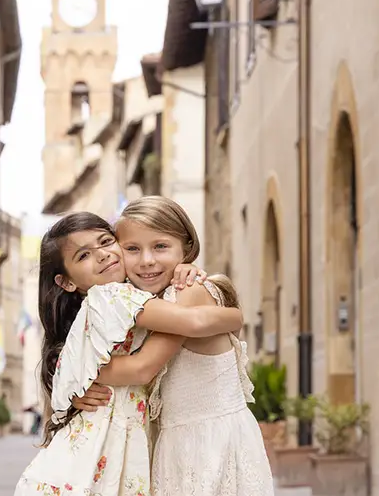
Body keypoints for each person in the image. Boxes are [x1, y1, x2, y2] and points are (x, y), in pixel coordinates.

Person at [14, 212, 244, 495]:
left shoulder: (123, 299)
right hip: (94, 461)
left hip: (98, 457)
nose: (102, 255)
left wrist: (183, 271)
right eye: (84, 255)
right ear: (66, 283)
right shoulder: (112, 296)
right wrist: (234, 315)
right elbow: (186, 330)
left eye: (106, 241)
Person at [73, 196, 274, 495]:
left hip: (209, 444)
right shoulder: (146, 304)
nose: (147, 260)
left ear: (186, 248)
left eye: (160, 246)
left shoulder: (186, 291)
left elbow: (142, 369)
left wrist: (75, 374)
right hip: (180, 444)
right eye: (132, 249)